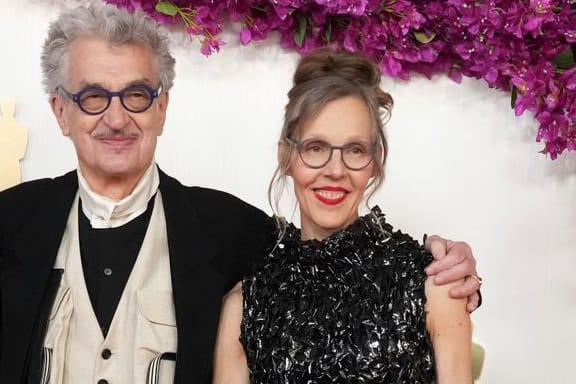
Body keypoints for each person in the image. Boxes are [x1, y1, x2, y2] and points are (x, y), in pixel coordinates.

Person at [0, 4, 480, 384]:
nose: (118, 118)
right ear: (61, 112)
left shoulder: (232, 232)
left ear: (162, 108)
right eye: (93, 97)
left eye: (137, 95)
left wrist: (450, 265)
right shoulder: (8, 223)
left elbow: (326, 251)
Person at [213, 49, 474, 383]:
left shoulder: (433, 285)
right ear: (286, 156)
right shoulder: (245, 306)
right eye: (316, 148)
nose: (335, 171)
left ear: (375, 161)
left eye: (354, 150)